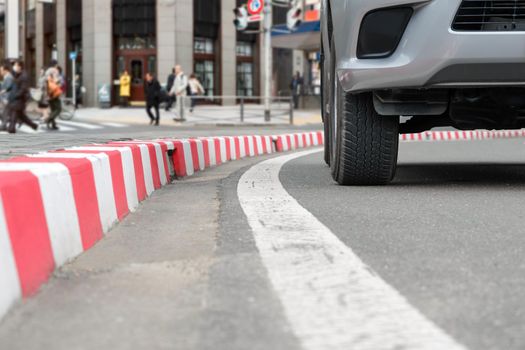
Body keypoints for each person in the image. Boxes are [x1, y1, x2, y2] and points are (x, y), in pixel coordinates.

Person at [6, 60, 38, 134]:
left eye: (16, 65)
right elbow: (14, 84)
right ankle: (34, 125)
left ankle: (11, 128)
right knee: (21, 116)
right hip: (17, 99)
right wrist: (6, 90)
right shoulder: (17, 74)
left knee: (14, 113)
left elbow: (23, 89)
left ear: (20, 66)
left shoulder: (24, 76)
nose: (14, 67)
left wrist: (15, 95)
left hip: (20, 99)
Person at [43, 60, 62, 130]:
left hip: (48, 93)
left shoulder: (47, 71)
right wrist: (59, 81)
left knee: (53, 109)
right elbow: (56, 81)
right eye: (56, 64)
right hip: (54, 92)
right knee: (59, 109)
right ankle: (48, 119)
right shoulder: (55, 70)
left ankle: (53, 124)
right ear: (55, 65)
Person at [0, 62, 14, 131]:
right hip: (4, 98)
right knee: (4, 112)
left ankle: (4, 125)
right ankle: (5, 124)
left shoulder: (9, 77)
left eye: (1, 70)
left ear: (6, 70)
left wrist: (6, 99)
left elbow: (9, 89)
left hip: (6, 99)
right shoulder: (6, 77)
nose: (1, 72)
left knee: (4, 112)